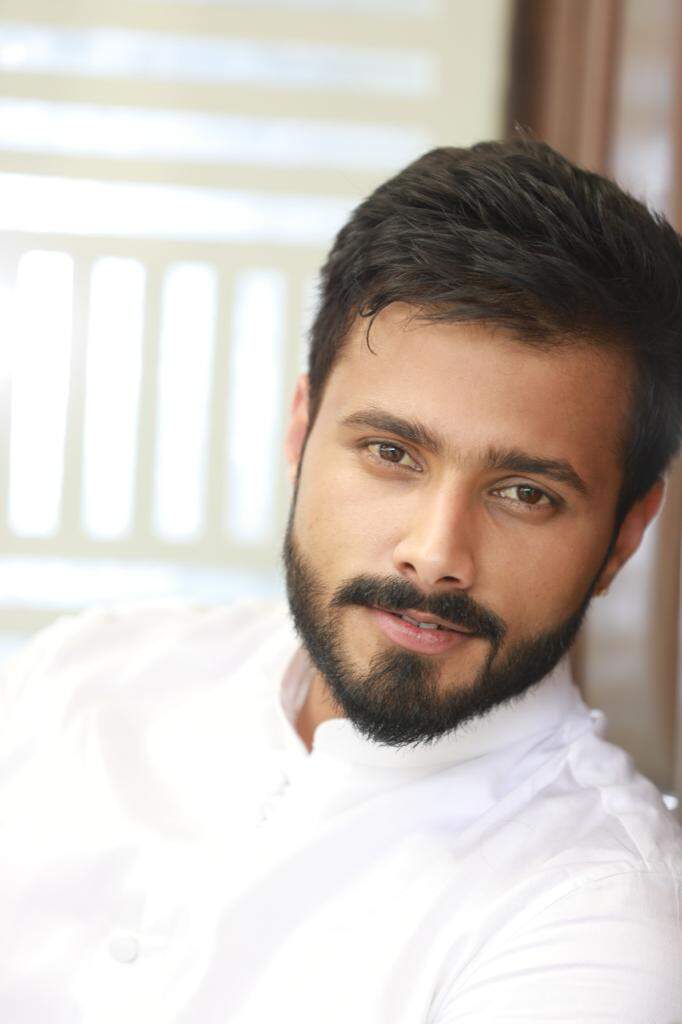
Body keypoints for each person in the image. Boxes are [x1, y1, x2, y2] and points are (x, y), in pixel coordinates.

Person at [1, 139, 681, 1023]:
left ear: (625, 534)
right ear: (301, 431)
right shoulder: (87, 674)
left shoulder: (601, 920)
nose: (435, 554)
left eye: (525, 493)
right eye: (391, 452)